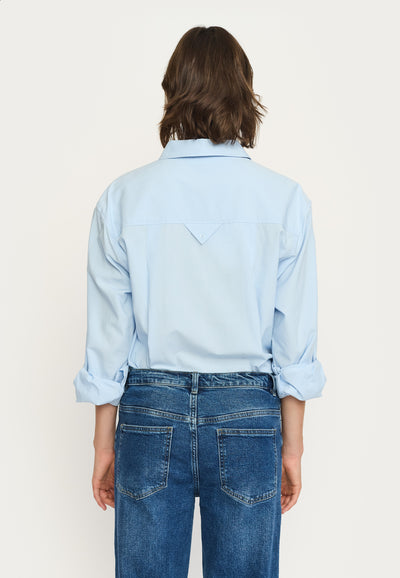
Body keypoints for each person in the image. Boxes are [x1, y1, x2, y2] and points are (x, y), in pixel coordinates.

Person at [73, 25, 327, 578]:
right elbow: (294, 339)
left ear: (172, 91)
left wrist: (103, 443)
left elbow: (109, 334)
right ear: (244, 93)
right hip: (248, 417)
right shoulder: (284, 200)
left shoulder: (122, 198)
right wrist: (293, 447)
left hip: (149, 413)